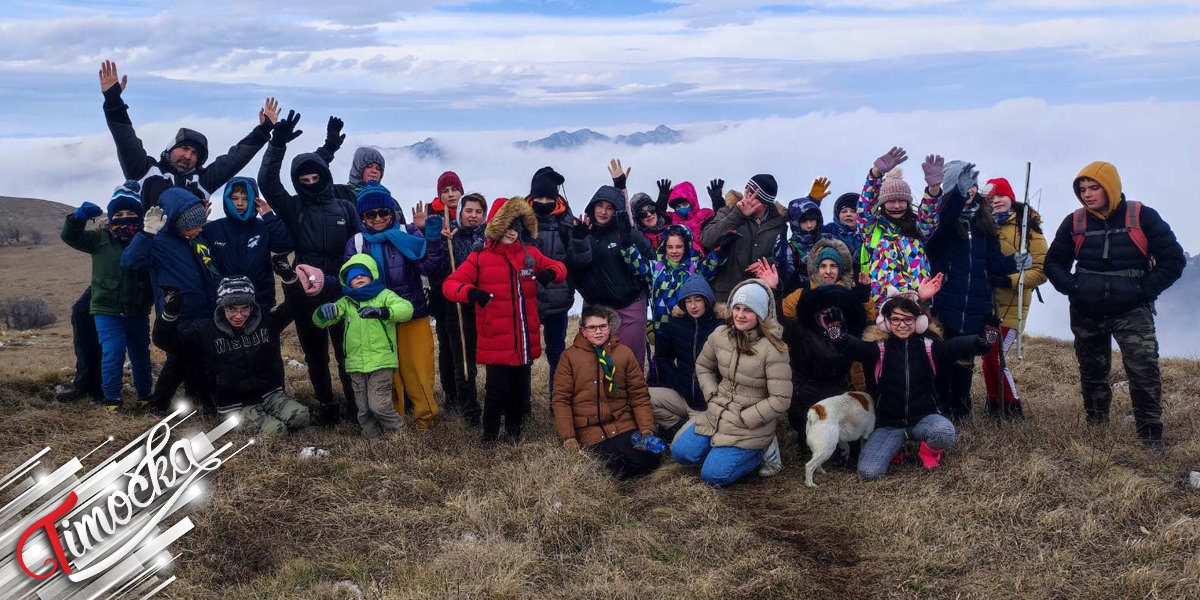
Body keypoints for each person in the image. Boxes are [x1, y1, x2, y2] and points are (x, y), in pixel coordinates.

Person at [1044, 162, 1185, 449]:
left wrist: (1142, 292)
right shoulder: (1074, 221)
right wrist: (1074, 289)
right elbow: (1053, 263)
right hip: (1087, 309)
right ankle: (1097, 426)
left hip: (1132, 310)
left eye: (1094, 188)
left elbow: (1174, 259)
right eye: (1082, 190)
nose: (1087, 195)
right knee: (1092, 370)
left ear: (1110, 187)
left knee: (1143, 368)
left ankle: (1150, 435)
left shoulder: (1142, 216)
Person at [258, 110, 361, 425]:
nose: (311, 183)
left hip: (343, 292)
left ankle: (356, 407)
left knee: (347, 354)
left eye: (316, 178)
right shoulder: (293, 207)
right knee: (315, 355)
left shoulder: (345, 206)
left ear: (325, 177)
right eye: (304, 180)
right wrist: (277, 143)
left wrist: (355, 283)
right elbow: (267, 181)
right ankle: (327, 406)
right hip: (306, 293)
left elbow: (358, 249)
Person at [832, 292, 997, 480]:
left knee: (945, 433)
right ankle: (897, 447)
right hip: (889, 425)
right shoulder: (879, 349)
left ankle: (927, 452)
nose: (902, 325)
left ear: (918, 322)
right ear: (886, 322)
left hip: (924, 419)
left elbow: (956, 346)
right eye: (895, 319)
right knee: (869, 472)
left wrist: (979, 342)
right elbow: (854, 347)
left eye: (908, 319)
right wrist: (839, 337)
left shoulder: (930, 347)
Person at [443, 198, 567, 445]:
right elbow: (450, 285)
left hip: (523, 338)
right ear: (496, 227)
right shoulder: (480, 257)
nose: (511, 232)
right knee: (496, 391)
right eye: (506, 226)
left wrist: (550, 273)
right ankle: (489, 437)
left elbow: (560, 267)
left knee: (519, 391)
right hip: (496, 339)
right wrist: (471, 293)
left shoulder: (530, 254)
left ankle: (514, 434)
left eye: (516, 226)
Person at [153, 266, 312, 436]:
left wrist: (290, 278)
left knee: (301, 416)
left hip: (270, 395)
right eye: (232, 309)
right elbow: (166, 342)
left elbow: (296, 305)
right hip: (233, 405)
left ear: (252, 306)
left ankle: (271, 412)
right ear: (222, 307)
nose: (239, 315)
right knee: (276, 431)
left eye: (244, 308)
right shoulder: (204, 331)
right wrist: (170, 312)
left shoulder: (266, 322)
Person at [345, 182, 446, 431]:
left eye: (383, 212)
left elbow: (429, 267)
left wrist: (430, 236)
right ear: (362, 216)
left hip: (413, 313)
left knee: (418, 370)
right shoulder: (356, 243)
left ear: (392, 212)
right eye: (371, 214)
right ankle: (393, 420)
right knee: (388, 375)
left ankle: (425, 419)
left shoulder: (408, 232)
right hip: (377, 319)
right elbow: (349, 279)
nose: (378, 218)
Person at [670, 279, 792, 487]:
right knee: (681, 454)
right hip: (718, 411)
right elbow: (703, 366)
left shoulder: (773, 350)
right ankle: (718, 447)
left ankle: (763, 450)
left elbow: (781, 399)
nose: (740, 315)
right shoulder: (720, 335)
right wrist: (711, 394)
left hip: (749, 423)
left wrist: (747, 417)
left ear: (761, 314)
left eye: (748, 310)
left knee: (713, 476)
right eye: (737, 308)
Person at [926, 167, 1023, 420]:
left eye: (972, 185)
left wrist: (1015, 262)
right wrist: (957, 195)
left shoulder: (984, 222)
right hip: (946, 303)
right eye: (962, 184)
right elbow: (944, 224)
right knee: (942, 358)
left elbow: (993, 263)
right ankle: (939, 409)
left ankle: (961, 409)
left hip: (976, 306)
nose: (969, 190)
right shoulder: (941, 222)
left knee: (965, 361)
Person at [121, 187, 222, 410]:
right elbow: (130, 261)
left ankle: (202, 399)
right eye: (192, 226)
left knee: (202, 358)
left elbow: (209, 269)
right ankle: (158, 404)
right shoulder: (157, 242)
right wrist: (146, 233)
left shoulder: (197, 239)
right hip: (179, 314)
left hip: (205, 310)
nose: (198, 230)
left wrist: (197, 214)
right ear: (177, 223)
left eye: (200, 224)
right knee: (177, 361)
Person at [60, 183, 154, 411]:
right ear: (110, 216)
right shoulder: (99, 238)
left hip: (138, 310)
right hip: (106, 310)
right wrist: (78, 217)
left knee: (141, 355)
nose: (124, 218)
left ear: (140, 216)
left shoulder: (146, 239)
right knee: (113, 353)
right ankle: (112, 399)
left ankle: (145, 397)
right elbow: (70, 236)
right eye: (118, 214)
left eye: (131, 214)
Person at [778, 239, 873, 445]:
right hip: (809, 371)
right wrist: (775, 288)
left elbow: (866, 322)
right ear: (816, 268)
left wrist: (864, 298)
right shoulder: (803, 293)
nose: (828, 271)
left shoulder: (849, 292)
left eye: (833, 266)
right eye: (823, 266)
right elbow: (782, 315)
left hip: (841, 370)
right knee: (806, 433)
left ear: (841, 269)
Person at [552, 305, 662, 480]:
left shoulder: (624, 353)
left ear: (610, 327)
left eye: (602, 326)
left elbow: (639, 395)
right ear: (583, 330)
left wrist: (647, 429)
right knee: (603, 468)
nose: (598, 332)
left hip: (624, 426)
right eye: (592, 328)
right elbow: (561, 400)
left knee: (654, 454)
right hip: (591, 432)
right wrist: (568, 437)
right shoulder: (569, 357)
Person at [313, 254, 416, 437]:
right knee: (363, 408)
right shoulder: (346, 302)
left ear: (373, 275)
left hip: (381, 361)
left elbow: (407, 309)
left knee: (379, 405)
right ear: (347, 281)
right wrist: (324, 312)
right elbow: (320, 322)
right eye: (353, 276)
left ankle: (400, 434)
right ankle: (371, 438)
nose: (358, 277)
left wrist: (383, 312)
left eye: (363, 274)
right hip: (356, 363)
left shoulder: (384, 296)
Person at [566, 185, 653, 367]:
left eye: (610, 207)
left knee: (630, 360)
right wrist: (580, 240)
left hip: (631, 304)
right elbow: (578, 264)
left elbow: (650, 259)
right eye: (600, 205)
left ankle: (632, 395)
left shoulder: (626, 232)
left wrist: (628, 238)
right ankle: (601, 396)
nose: (604, 212)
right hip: (596, 307)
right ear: (593, 206)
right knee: (596, 362)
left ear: (617, 210)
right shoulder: (584, 231)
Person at [983, 177, 1048, 419]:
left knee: (995, 357)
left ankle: (1012, 408)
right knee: (987, 357)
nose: (996, 201)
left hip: (1012, 305)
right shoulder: (982, 227)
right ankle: (993, 404)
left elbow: (1041, 271)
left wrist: (1009, 280)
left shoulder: (1028, 228)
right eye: (991, 198)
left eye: (1000, 196)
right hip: (986, 304)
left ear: (1011, 198)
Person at [857, 148, 950, 308]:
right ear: (883, 203)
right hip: (884, 306)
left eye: (902, 201)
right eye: (891, 201)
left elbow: (929, 216)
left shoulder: (918, 229)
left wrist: (934, 190)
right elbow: (865, 207)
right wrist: (876, 173)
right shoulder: (872, 228)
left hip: (918, 303)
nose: (897, 205)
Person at [431, 193, 487, 425]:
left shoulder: (488, 237)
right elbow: (438, 268)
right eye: (469, 211)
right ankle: (468, 408)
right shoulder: (449, 234)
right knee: (462, 358)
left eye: (478, 212)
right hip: (457, 305)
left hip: (484, 304)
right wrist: (441, 242)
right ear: (460, 212)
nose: (473, 216)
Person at [647, 275, 720, 438]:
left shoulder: (720, 326)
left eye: (698, 300)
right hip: (684, 396)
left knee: (682, 450)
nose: (693, 306)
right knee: (642, 397)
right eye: (688, 301)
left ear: (707, 300)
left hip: (712, 404)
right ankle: (677, 426)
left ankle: (689, 432)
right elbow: (662, 357)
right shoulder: (674, 324)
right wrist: (676, 381)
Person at [204, 177, 294, 310]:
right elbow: (194, 254)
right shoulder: (212, 229)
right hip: (223, 304)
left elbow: (284, 245)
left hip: (261, 302)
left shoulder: (264, 227)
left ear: (254, 200)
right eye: (234, 198)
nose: (240, 203)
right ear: (226, 198)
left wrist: (270, 217)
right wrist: (198, 223)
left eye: (245, 199)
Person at [699, 175, 788, 303]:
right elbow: (707, 239)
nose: (747, 198)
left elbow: (782, 259)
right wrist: (738, 215)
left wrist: (767, 263)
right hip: (724, 297)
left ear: (764, 203)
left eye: (753, 196)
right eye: (747, 192)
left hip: (756, 298)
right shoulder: (728, 211)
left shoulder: (779, 226)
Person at [526, 167, 576, 394]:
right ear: (531, 197)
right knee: (524, 354)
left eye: (548, 197)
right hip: (527, 298)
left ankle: (559, 401)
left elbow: (578, 260)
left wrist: (582, 239)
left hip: (558, 297)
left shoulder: (567, 222)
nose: (543, 202)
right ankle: (522, 402)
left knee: (557, 352)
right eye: (539, 197)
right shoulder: (520, 220)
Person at [620, 224, 717, 335]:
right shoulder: (656, 268)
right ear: (664, 247)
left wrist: (721, 251)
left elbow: (710, 266)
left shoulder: (694, 268)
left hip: (688, 330)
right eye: (670, 247)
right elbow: (636, 263)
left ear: (686, 246)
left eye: (679, 246)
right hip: (662, 330)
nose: (674, 251)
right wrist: (627, 244)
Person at [775, 178, 832, 296]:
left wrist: (812, 201)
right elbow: (784, 279)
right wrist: (781, 260)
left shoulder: (828, 240)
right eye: (804, 221)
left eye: (812, 220)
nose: (809, 225)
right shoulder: (791, 249)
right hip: (802, 300)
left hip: (829, 296)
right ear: (795, 223)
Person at [655, 179, 716, 250]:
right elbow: (657, 218)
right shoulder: (671, 218)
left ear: (692, 202)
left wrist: (717, 200)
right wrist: (663, 198)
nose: (681, 208)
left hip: (704, 257)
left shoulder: (705, 215)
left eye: (684, 204)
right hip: (676, 257)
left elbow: (719, 225)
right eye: (678, 206)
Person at [822, 192, 865, 273]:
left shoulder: (867, 234)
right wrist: (813, 200)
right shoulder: (829, 230)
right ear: (837, 215)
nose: (848, 214)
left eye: (853, 211)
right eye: (844, 211)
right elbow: (810, 231)